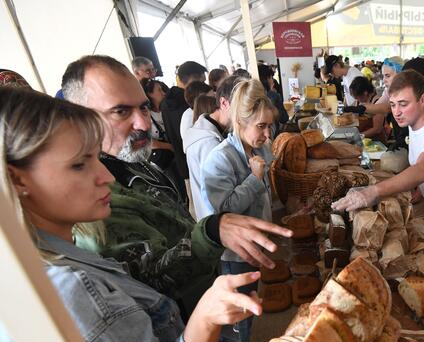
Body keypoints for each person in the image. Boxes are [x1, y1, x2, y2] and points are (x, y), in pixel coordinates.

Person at [0, 85, 260, 342]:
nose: (104, 175)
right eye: (79, 165)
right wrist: (206, 319)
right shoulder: (66, 288)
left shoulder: (43, 263)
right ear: (18, 179)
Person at [61, 55, 291, 319]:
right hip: (180, 335)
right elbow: (152, 280)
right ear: (81, 119)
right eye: (121, 111)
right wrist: (212, 231)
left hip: (203, 309)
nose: (144, 124)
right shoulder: (96, 201)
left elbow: (180, 233)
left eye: (144, 108)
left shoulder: (136, 163)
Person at [332, 70, 424, 231]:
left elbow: (422, 169)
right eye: (393, 105)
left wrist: (372, 192)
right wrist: (421, 188)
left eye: (403, 104)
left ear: (423, 100)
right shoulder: (414, 119)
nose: (397, 112)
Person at [201, 79, 277, 342]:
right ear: (240, 121)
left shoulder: (260, 148)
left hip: (260, 241)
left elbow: (266, 193)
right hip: (237, 253)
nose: (267, 134)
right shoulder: (219, 159)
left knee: (260, 301)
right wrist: (254, 178)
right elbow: (223, 213)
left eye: (269, 126)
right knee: (246, 312)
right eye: (261, 126)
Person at [186, 75, 241, 220]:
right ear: (224, 103)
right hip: (219, 223)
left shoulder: (212, 129)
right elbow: (220, 199)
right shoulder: (208, 143)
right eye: (243, 107)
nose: (248, 114)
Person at [161, 61, 207, 203]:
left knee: (195, 205)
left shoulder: (166, 102)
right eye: (201, 81)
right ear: (193, 79)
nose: (204, 85)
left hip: (182, 164)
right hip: (197, 164)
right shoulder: (188, 104)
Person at [141, 78, 175, 173]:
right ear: (150, 94)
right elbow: (148, 142)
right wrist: (170, 146)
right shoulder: (146, 115)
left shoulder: (166, 110)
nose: (163, 93)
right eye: (159, 90)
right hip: (162, 162)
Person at [349, 76, 386, 141]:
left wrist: (359, 136)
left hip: (375, 140)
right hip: (361, 137)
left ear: (365, 93)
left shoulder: (377, 102)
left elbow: (377, 129)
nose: (356, 99)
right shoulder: (359, 101)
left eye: (357, 97)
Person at [258, 63, 289, 132]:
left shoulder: (252, 97)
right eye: (271, 78)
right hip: (273, 135)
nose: (273, 81)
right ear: (266, 79)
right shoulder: (274, 96)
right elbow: (284, 118)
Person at [181, 81, 213, 146]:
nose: (215, 102)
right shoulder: (190, 118)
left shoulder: (189, 113)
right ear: (201, 100)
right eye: (211, 98)